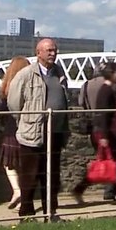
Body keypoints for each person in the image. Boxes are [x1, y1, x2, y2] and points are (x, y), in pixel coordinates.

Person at [8, 38, 70, 219]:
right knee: (30, 176)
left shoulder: (60, 73)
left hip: (56, 133)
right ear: (38, 53)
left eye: (55, 50)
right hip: (33, 134)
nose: (53, 53)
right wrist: (27, 121)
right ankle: (26, 214)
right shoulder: (26, 74)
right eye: (49, 50)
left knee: (52, 176)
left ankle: (50, 213)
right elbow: (14, 103)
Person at [72, 62, 116, 204]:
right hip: (104, 133)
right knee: (111, 162)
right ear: (111, 74)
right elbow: (102, 115)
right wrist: (104, 136)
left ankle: (110, 192)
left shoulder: (106, 89)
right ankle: (112, 193)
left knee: (108, 162)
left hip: (103, 132)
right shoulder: (106, 90)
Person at [0, 56, 31, 210]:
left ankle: (17, 190)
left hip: (11, 129)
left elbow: (2, 111)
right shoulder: (30, 84)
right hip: (28, 129)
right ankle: (23, 194)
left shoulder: (6, 87)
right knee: (26, 164)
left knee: (9, 164)